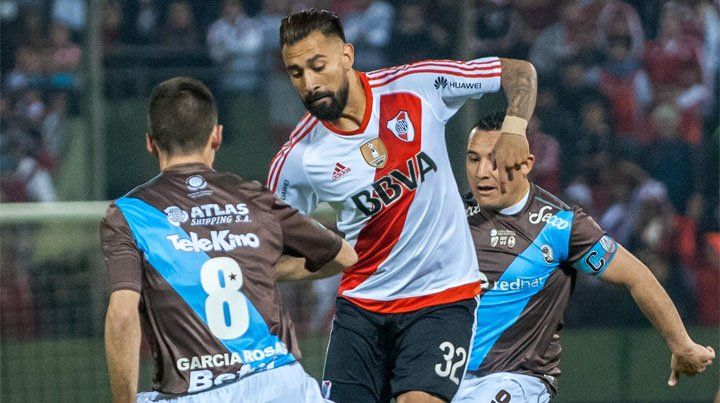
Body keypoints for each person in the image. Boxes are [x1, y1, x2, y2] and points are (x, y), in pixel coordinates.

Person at [269, 8, 536, 403]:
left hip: (443, 297)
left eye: (317, 65)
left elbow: (519, 73)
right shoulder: (297, 158)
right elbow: (267, 255)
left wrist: (514, 131)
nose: (309, 83)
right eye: (296, 73)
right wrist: (331, 260)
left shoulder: (417, 86)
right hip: (361, 308)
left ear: (347, 55)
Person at [101, 77, 357, 403]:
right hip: (282, 386)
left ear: (150, 143)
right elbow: (344, 256)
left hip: (196, 392)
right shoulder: (254, 197)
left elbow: (122, 316)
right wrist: (265, 270)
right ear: (217, 136)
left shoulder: (128, 213)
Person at [453, 111, 716, 402]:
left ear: (525, 163)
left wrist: (681, 344)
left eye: (495, 160)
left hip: (518, 379)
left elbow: (637, 277)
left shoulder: (559, 225)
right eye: (473, 159)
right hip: (449, 375)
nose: (482, 172)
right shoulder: (451, 218)